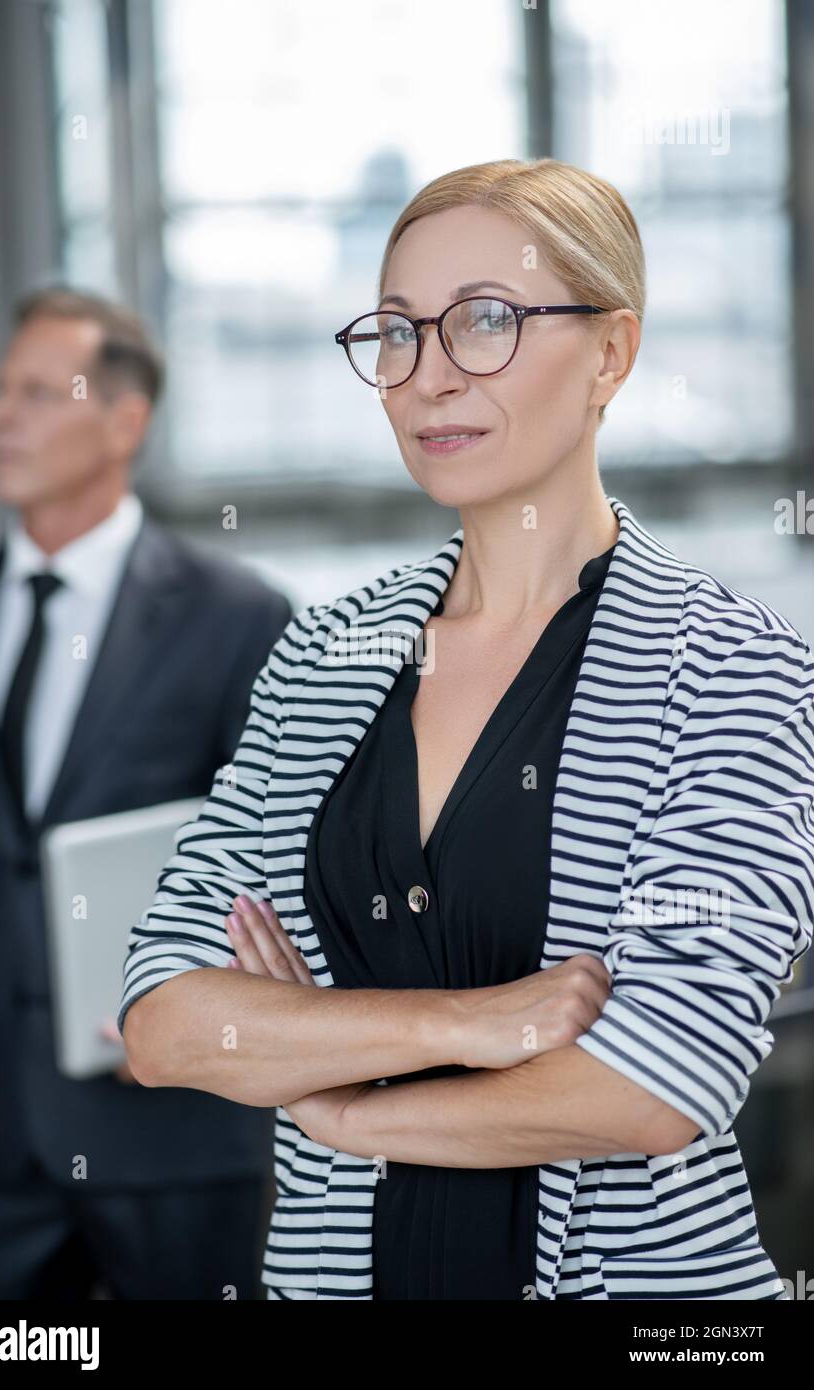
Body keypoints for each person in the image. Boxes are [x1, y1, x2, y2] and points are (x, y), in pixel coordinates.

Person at [117, 158, 814, 1300]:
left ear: (609, 352)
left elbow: (650, 1087)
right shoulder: (324, 654)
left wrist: (340, 1102)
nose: (428, 375)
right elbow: (166, 1022)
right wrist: (482, 1024)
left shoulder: (729, 665)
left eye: (486, 320)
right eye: (396, 334)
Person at [0, 287, 293, 1299]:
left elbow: (281, 855)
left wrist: (205, 1012)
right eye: (3, 391)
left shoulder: (238, 615)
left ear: (124, 421)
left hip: (170, 1130)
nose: (4, 416)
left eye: (42, 394)